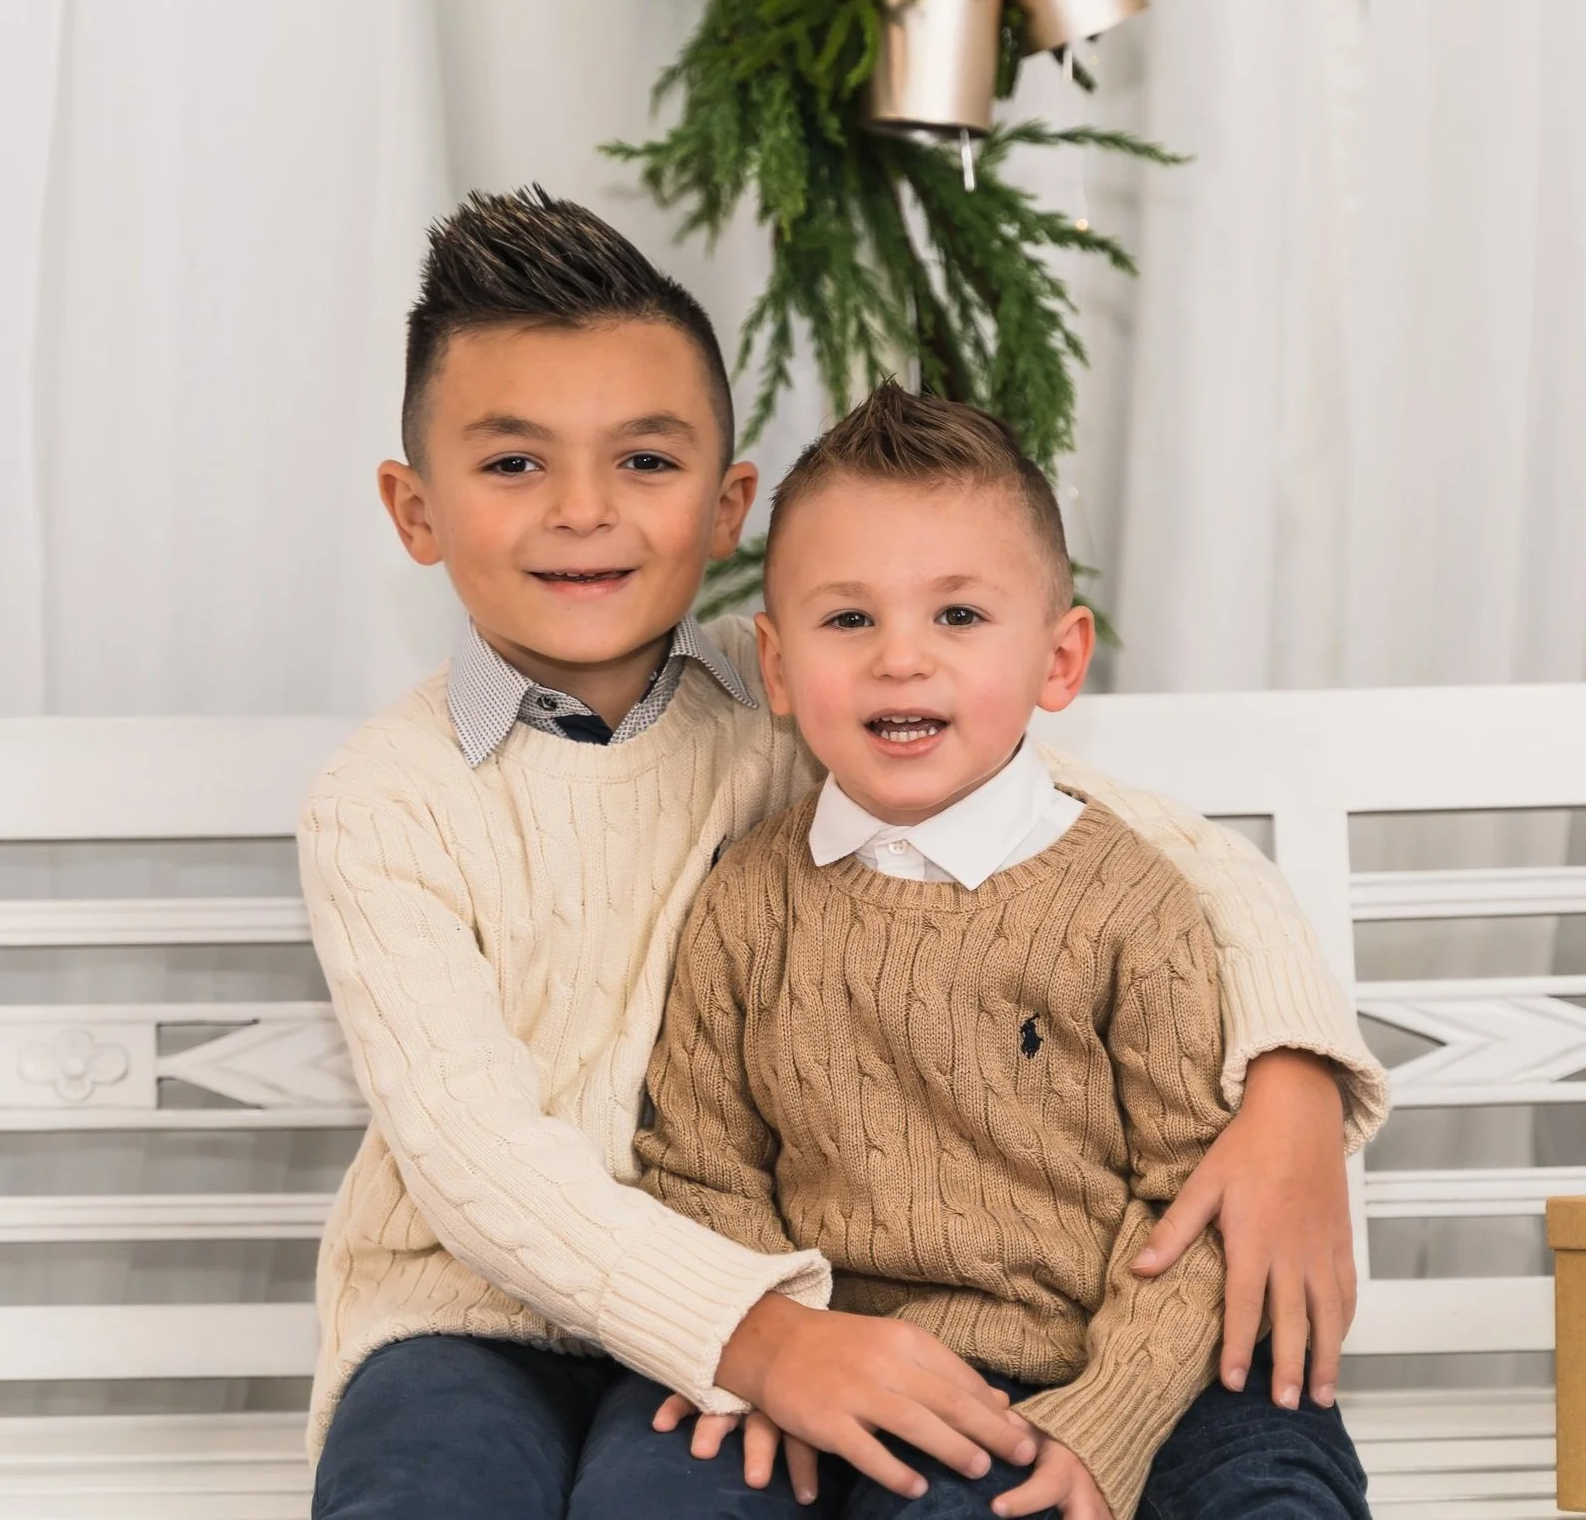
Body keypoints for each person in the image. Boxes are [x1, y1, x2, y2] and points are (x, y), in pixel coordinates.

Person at [298, 188, 1387, 1520]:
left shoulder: (787, 727)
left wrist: (1290, 1079)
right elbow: (476, 1160)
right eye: (514, 462)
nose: (582, 510)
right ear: (414, 508)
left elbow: (1149, 847)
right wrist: (759, 1333)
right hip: (478, 1316)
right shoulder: (382, 799)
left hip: (775, 1296)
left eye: (643, 461)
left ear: (723, 505)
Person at [630, 384, 1370, 1520]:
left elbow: (1189, 1197)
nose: (899, 660)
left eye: (958, 617)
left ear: (1057, 656)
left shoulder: (1130, 903)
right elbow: (701, 1170)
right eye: (847, 620)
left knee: (1279, 1490)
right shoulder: (746, 904)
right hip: (905, 1373)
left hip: (1172, 1355)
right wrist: (778, 1344)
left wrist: (1105, 1415)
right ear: (775, 669)